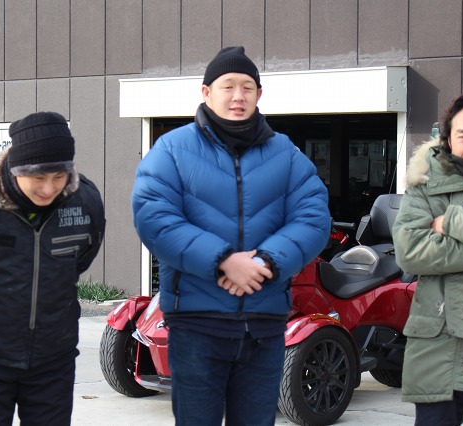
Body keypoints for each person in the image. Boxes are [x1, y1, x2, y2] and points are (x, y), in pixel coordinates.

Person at [131, 46, 330, 426]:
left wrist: (265, 262)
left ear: (259, 94)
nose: (238, 96)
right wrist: (223, 260)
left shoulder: (285, 153)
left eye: (247, 87)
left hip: (263, 324)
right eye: (228, 86)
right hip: (196, 324)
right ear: (206, 92)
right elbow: (154, 217)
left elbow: (314, 218)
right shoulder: (172, 149)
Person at [0, 111, 105, 426]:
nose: (48, 188)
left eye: (58, 177)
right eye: (37, 178)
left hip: (54, 354)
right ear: (15, 168)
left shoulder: (85, 201)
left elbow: (79, 260)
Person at [392, 92, 463, 425]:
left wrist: (453, 221)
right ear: (448, 139)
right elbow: (409, 250)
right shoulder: (424, 180)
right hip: (440, 343)